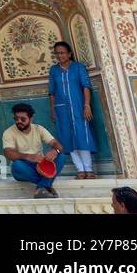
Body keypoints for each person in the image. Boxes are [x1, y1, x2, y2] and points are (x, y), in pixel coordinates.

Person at [49, 41, 97, 179]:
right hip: (61, 109)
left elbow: (86, 87)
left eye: (62, 52)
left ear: (69, 54)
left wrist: (87, 105)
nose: (60, 55)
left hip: (78, 106)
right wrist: (52, 110)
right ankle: (80, 170)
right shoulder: (54, 70)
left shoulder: (78, 67)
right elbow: (51, 92)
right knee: (67, 137)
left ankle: (89, 169)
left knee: (83, 136)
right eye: (57, 53)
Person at [3, 102, 66, 198]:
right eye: (16, 119)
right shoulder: (8, 132)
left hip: (40, 166)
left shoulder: (39, 129)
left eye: (23, 119)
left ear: (31, 119)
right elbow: (8, 153)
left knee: (61, 156)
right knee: (16, 165)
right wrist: (28, 157)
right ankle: (46, 184)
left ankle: (42, 187)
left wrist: (55, 151)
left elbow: (58, 145)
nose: (18, 121)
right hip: (23, 168)